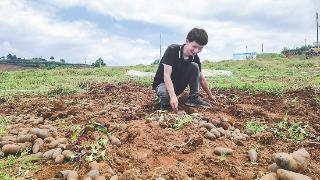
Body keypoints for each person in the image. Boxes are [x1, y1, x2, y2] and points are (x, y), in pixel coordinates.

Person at [152, 27, 215, 112]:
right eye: (194, 46)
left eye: (200, 48)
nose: (196, 51)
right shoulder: (172, 50)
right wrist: (173, 96)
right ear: (187, 41)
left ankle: (193, 98)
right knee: (165, 95)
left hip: (178, 86)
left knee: (194, 66)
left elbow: (201, 78)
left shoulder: (195, 57)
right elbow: (167, 75)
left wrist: (210, 95)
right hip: (163, 84)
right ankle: (164, 103)